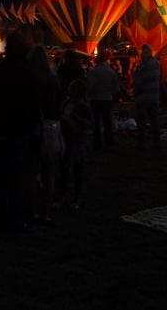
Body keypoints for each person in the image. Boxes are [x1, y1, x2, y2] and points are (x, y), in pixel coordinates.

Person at [0, 32, 41, 233]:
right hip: (19, 134)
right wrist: (29, 125)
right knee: (19, 179)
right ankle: (16, 221)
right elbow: (35, 105)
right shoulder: (28, 74)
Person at [28, 44, 62, 224]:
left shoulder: (29, 80)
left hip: (33, 129)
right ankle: (46, 212)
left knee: (33, 172)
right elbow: (59, 105)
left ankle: (32, 211)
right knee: (49, 173)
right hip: (51, 128)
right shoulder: (53, 80)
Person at [57, 78, 91, 210]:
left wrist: (75, 119)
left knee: (77, 169)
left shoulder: (82, 106)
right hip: (67, 138)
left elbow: (89, 124)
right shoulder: (66, 103)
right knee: (64, 168)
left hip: (77, 140)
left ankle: (76, 196)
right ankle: (63, 195)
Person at [86, 50, 120, 152]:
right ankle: (109, 142)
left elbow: (90, 87)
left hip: (96, 99)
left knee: (96, 122)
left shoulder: (93, 72)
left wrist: (89, 95)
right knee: (107, 122)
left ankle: (97, 143)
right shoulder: (110, 72)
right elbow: (116, 89)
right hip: (107, 99)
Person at [133, 44, 161, 151]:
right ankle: (157, 144)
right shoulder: (157, 64)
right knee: (155, 121)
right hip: (154, 96)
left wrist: (135, 93)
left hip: (143, 97)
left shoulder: (142, 66)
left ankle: (141, 144)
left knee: (141, 122)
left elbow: (138, 82)